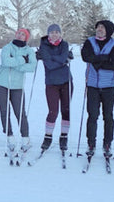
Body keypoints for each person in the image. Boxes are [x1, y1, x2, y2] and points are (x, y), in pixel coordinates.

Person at [80, 20, 114, 157]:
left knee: (108, 116)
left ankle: (107, 143)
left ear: (108, 30)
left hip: (109, 85)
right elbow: (86, 57)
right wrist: (105, 58)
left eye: (102, 28)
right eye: (98, 27)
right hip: (92, 85)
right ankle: (91, 142)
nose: (99, 29)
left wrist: (97, 62)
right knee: (92, 115)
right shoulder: (89, 42)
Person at [0, 29, 36, 151]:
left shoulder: (29, 51)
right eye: (18, 33)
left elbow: (32, 66)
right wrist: (22, 60)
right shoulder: (7, 47)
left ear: (26, 37)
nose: (20, 35)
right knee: (5, 111)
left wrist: (15, 63)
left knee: (20, 112)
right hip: (1, 83)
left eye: (23, 34)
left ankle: (25, 137)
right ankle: (10, 136)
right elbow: (6, 62)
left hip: (17, 86)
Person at [37, 24, 73, 152]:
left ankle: (64, 136)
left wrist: (55, 58)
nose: (54, 34)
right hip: (51, 82)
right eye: (52, 32)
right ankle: (48, 136)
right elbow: (49, 64)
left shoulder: (64, 44)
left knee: (66, 109)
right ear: (48, 34)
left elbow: (60, 58)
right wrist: (61, 60)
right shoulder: (44, 45)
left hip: (66, 81)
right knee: (53, 111)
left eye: (57, 32)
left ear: (60, 34)